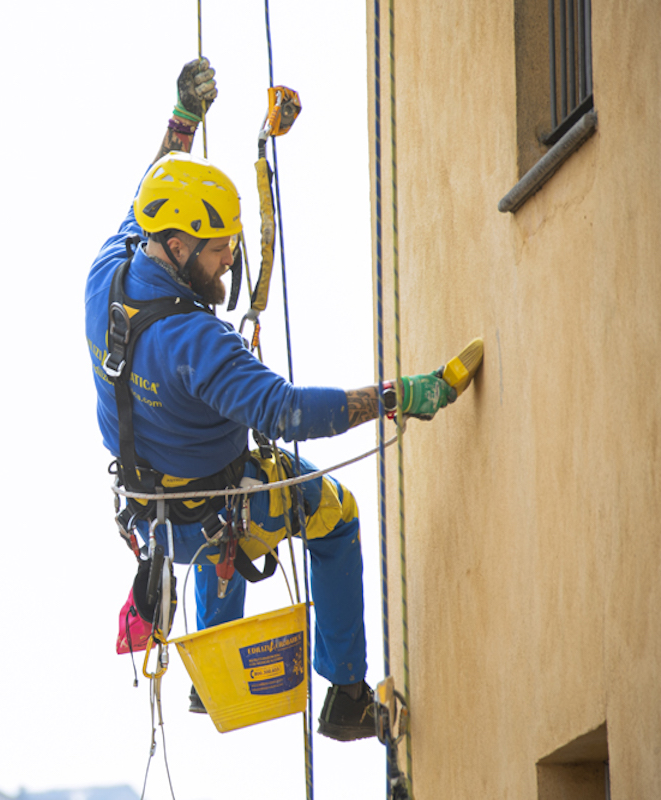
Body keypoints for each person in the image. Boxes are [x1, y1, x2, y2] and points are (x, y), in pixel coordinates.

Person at [84, 59, 457, 742]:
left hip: (155, 511)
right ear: (177, 246)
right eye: (220, 248)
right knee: (331, 515)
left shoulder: (108, 276)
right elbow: (293, 413)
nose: (231, 258)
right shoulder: (198, 345)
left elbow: (148, 191)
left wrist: (184, 122)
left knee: (220, 499)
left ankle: (207, 672)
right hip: (207, 504)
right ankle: (346, 694)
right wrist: (397, 396)